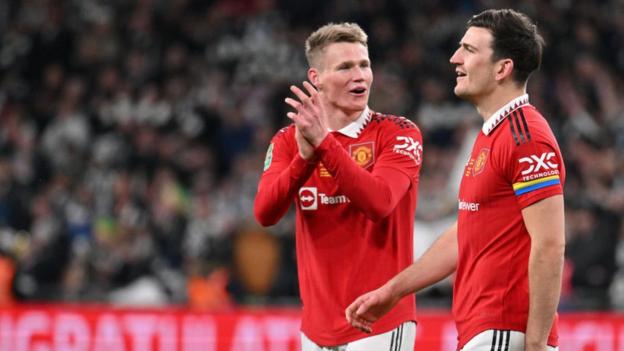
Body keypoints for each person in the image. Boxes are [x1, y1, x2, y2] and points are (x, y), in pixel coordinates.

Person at [345, 9, 565, 351]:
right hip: (485, 330)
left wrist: (536, 344)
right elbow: (467, 231)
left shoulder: (526, 138)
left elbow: (550, 244)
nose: (455, 58)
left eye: (469, 50)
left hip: (507, 330)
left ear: (502, 68)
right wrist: (393, 290)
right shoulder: (492, 135)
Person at [254, 22, 423, 350]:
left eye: (365, 64)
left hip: (381, 323)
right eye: (345, 67)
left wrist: (323, 144)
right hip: (316, 329)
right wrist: (304, 159)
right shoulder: (289, 141)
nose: (359, 75)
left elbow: (380, 202)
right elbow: (264, 213)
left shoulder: (398, 133)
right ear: (316, 78)